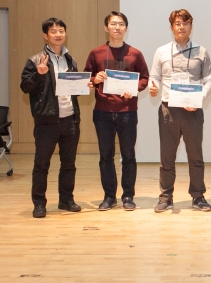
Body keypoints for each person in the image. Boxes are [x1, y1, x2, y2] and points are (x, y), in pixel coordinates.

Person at [21, 18, 92, 218]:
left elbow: (71, 90)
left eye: (61, 30)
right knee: (41, 164)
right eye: (53, 31)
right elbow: (25, 87)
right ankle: (39, 204)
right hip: (47, 121)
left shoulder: (70, 60)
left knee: (69, 164)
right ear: (46, 35)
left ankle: (66, 200)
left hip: (70, 119)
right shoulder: (35, 60)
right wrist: (38, 74)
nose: (58, 34)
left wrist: (83, 87)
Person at [149, 9, 211, 213]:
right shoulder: (161, 52)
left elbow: (209, 79)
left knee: (195, 156)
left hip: (193, 111)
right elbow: (154, 77)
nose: (181, 27)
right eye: (177, 23)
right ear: (172, 27)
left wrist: (200, 99)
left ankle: (198, 197)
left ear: (191, 26)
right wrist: (153, 87)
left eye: (185, 23)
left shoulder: (202, 52)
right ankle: (165, 197)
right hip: (169, 111)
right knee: (167, 157)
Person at [84, 11, 150, 211]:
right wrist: (94, 80)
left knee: (128, 155)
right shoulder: (96, 53)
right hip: (102, 112)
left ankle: (128, 196)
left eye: (121, 24)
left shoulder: (135, 53)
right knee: (106, 156)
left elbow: (144, 78)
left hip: (127, 111)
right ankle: (109, 196)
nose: (117, 27)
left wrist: (134, 89)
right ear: (106, 28)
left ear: (126, 28)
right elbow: (86, 78)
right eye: (113, 24)